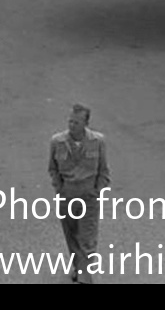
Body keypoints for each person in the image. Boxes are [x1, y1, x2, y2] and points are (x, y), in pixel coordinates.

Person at [48, 104, 111, 284]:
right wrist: (60, 189)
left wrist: (96, 191)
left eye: (76, 122)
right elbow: (52, 168)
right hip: (67, 195)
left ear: (86, 123)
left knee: (88, 239)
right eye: (70, 121)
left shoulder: (98, 141)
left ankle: (85, 278)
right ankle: (78, 266)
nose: (72, 125)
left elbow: (104, 170)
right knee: (72, 235)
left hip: (88, 195)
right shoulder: (57, 141)